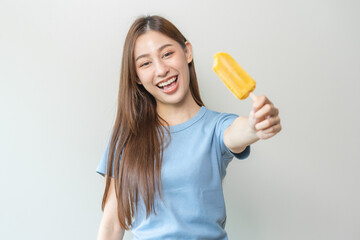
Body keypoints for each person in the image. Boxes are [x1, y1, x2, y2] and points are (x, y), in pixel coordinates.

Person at [96, 15, 281, 240]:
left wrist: (256, 124)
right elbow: (111, 225)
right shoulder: (127, 139)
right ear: (136, 76)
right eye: (145, 63)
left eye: (167, 54)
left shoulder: (216, 127)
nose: (161, 69)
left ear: (187, 52)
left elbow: (239, 131)